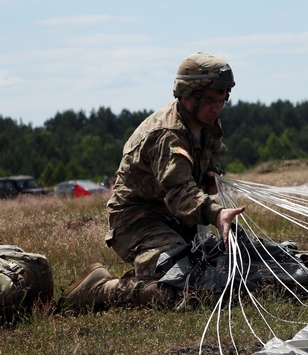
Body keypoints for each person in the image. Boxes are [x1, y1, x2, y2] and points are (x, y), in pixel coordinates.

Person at [61, 52, 245, 312]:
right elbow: (178, 192)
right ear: (188, 96)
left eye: (221, 100)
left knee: (212, 270)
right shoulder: (168, 135)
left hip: (177, 220)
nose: (217, 108)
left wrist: (211, 177)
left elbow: (206, 167)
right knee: (178, 286)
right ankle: (99, 290)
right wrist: (215, 213)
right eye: (210, 101)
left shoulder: (207, 126)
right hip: (138, 221)